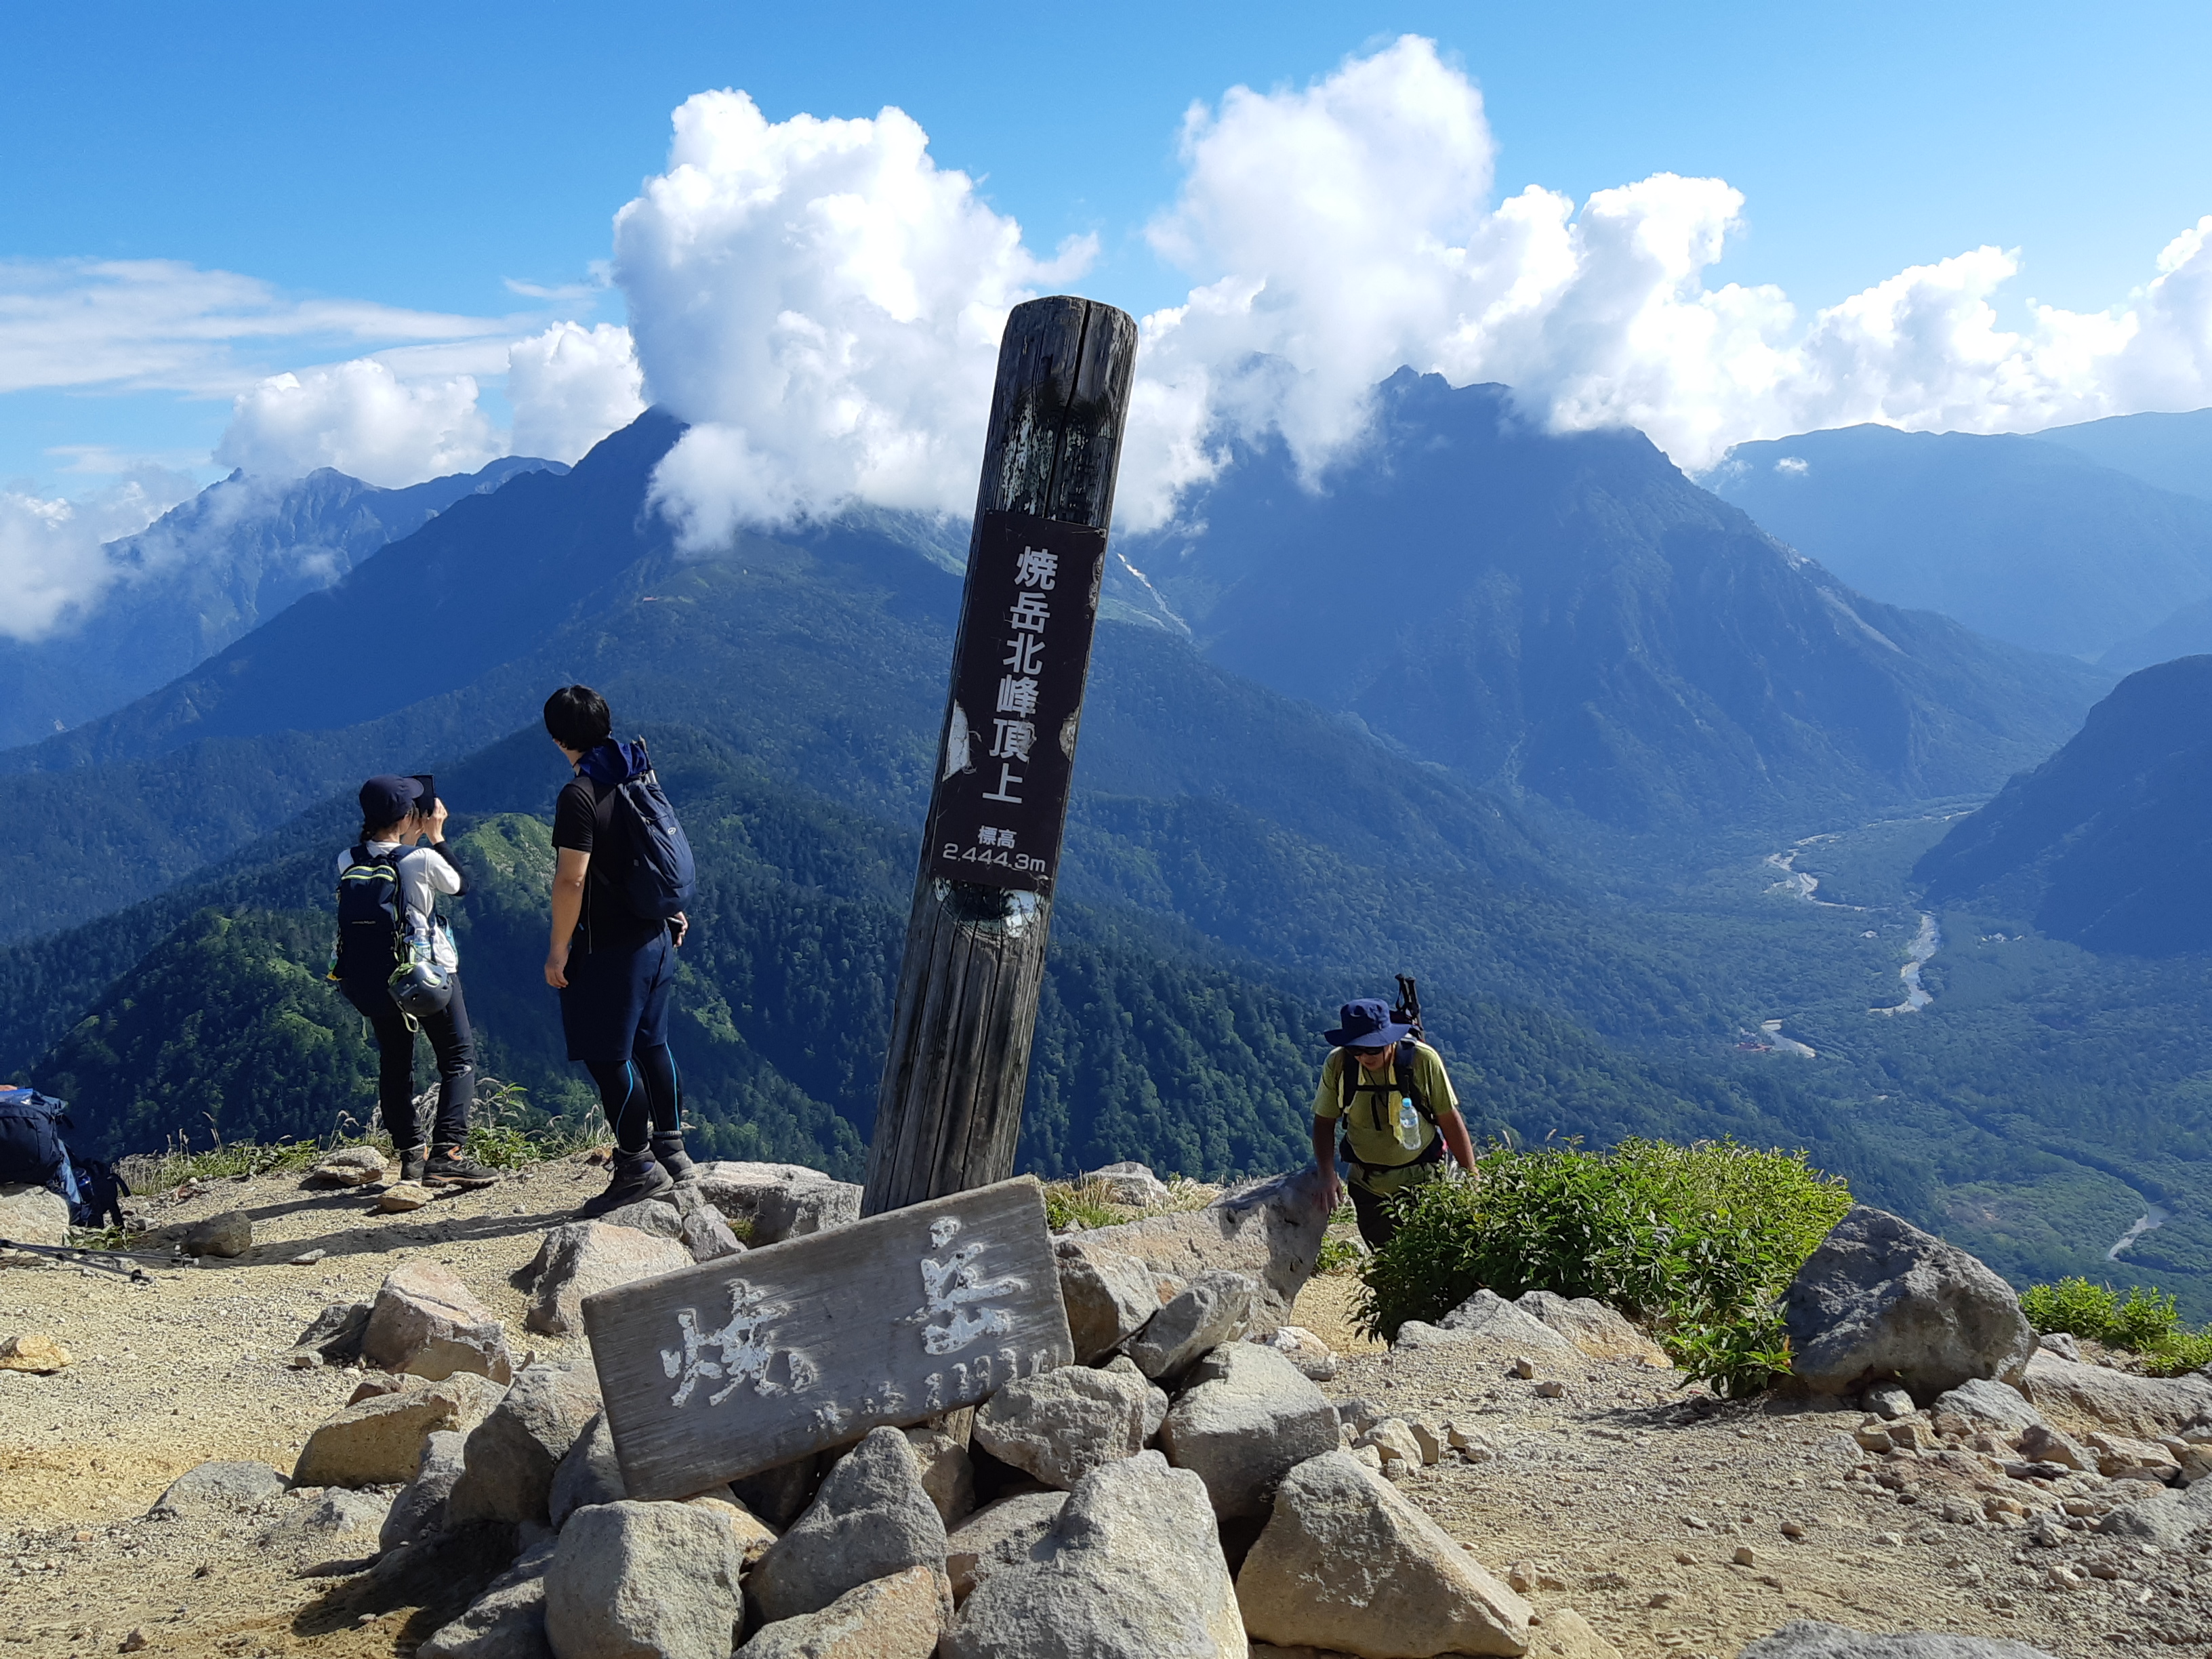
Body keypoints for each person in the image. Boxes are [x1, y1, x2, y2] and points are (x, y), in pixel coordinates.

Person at [542, 684, 697, 1216]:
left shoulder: (579, 795)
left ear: (558, 738)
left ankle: (635, 1168)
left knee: (610, 1060)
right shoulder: (637, 773)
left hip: (608, 949)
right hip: (656, 938)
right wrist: (667, 907)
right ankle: (672, 1150)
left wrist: (559, 949)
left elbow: (571, 880)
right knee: (653, 1044)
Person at [333, 776, 500, 1187]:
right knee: (458, 1059)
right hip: (427, 975)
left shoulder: (346, 859)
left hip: (376, 979)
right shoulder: (419, 860)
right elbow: (461, 886)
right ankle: (447, 1153)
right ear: (409, 816)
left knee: (395, 1062)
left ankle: (412, 1155)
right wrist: (437, 836)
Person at [1311, 998, 1477, 1248]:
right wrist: (1327, 1174)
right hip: (1368, 1187)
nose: (1364, 1056)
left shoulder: (1422, 1060)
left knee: (1428, 1255)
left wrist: (1471, 1174)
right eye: (1356, 1049)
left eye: (1373, 1048)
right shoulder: (1339, 1063)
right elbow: (1324, 1121)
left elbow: (1449, 1119)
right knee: (1385, 1258)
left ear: (1389, 1038)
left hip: (1423, 1183)